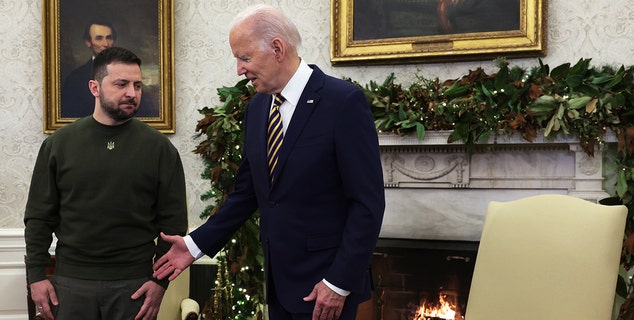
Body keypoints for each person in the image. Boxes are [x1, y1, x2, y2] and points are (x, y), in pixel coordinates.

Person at [153, 4, 385, 320]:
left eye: (244, 58)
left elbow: (367, 204)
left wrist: (339, 282)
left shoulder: (343, 102)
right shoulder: (258, 108)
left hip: (326, 289)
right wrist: (195, 245)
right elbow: (247, 194)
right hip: (279, 286)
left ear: (277, 48)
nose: (238, 69)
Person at [24, 46, 188, 320]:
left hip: (135, 285)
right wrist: (36, 277)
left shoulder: (160, 149)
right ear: (94, 87)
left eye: (137, 85)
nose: (131, 93)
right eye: (121, 84)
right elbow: (39, 217)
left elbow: (173, 225)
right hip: (71, 282)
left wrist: (160, 283)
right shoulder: (59, 144)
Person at [61, 19, 157, 118]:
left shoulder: (130, 74)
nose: (105, 44)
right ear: (88, 42)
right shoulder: (75, 78)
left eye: (109, 38)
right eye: (99, 38)